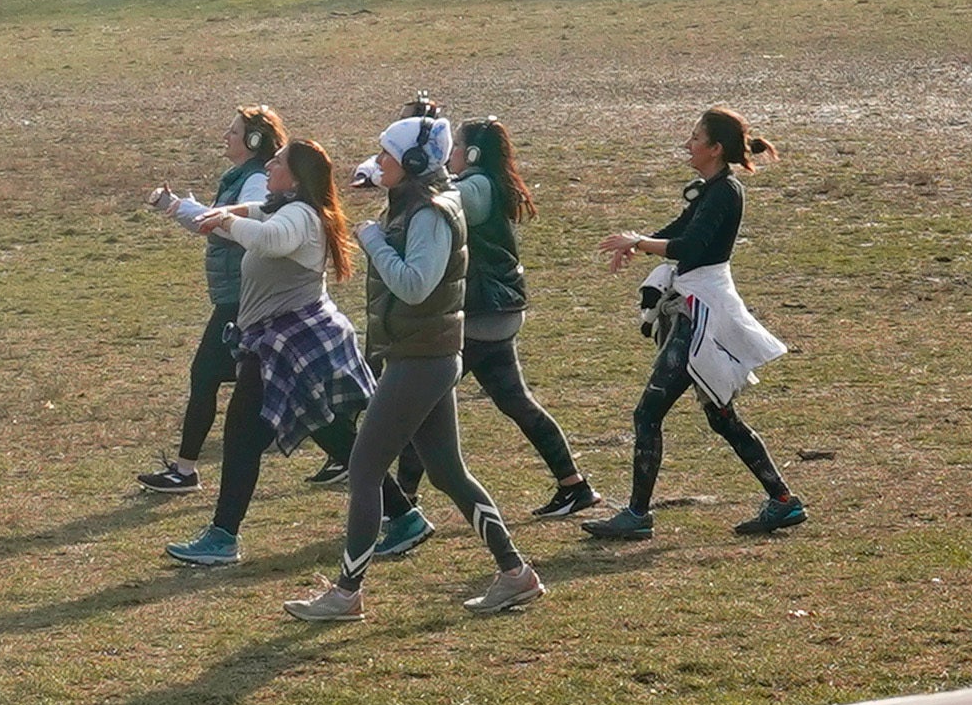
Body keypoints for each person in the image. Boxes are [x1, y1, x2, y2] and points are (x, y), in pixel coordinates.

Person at [287, 121, 540, 623]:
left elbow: (416, 285)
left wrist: (373, 241)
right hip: (423, 354)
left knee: (363, 469)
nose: (378, 163)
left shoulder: (429, 214)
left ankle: (346, 592)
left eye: (387, 156)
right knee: (448, 472)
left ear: (416, 164)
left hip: (421, 359)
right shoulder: (417, 200)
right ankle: (516, 574)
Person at [580, 110, 808, 543]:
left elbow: (690, 246)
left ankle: (637, 515)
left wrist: (638, 243)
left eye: (695, 137)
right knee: (721, 417)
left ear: (715, 148)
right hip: (697, 305)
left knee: (648, 413)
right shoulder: (712, 191)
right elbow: (679, 231)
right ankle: (783, 501)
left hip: (702, 312)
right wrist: (638, 241)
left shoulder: (725, 193)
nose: (688, 144)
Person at [156, 141, 369, 568]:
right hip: (284, 342)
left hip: (288, 344)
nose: (269, 165)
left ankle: (222, 538)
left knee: (241, 438)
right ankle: (402, 513)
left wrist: (228, 220)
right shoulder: (286, 207)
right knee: (329, 430)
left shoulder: (301, 217)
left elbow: (271, 239)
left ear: (295, 177)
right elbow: (257, 214)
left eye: (278, 162)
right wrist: (215, 213)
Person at [450, 120, 596, 522]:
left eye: (457, 145)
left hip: (482, 314)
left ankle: (403, 510)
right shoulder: (485, 182)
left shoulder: (475, 187)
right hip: (497, 312)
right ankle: (574, 485)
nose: (451, 152)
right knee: (516, 401)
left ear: (474, 153)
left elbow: (444, 201)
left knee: (420, 405)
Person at [140, 106, 281, 492]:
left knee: (205, 374)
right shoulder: (239, 177)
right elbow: (213, 225)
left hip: (241, 295)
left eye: (234, 132)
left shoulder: (254, 182)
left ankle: (185, 470)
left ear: (253, 141)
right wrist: (176, 208)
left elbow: (236, 228)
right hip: (236, 293)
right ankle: (339, 446)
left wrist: (184, 207)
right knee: (264, 379)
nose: (226, 136)